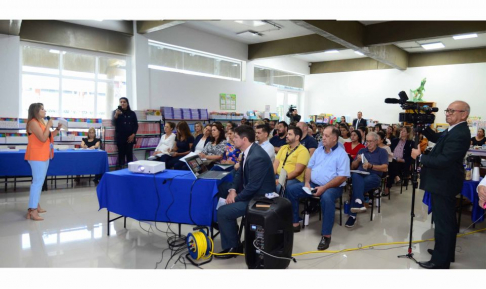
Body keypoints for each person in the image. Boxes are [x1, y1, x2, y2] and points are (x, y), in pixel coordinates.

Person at [411, 101, 471, 269]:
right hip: (443, 181)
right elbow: (438, 138)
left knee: (444, 223)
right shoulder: (454, 129)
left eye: (452, 111)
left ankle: (440, 261)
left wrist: (420, 157)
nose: (448, 113)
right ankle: (445, 253)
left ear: (464, 114)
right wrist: (423, 128)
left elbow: (444, 160)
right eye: (447, 110)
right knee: (444, 221)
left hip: (445, 182)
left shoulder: (460, 133)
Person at [215, 125, 275, 259]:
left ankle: (232, 247)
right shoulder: (248, 151)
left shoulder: (256, 156)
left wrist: (235, 199)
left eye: (235, 137)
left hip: (259, 198)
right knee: (221, 188)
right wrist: (232, 190)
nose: (232, 139)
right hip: (252, 191)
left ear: (244, 139)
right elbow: (240, 174)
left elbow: (253, 186)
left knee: (224, 212)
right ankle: (226, 227)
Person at [286, 126, 350, 250]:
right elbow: (309, 168)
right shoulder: (319, 151)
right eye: (323, 135)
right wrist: (307, 183)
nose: (323, 138)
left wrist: (324, 188)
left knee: (326, 197)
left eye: (326, 136)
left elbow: (342, 177)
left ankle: (326, 235)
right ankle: (295, 223)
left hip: (333, 187)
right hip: (313, 184)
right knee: (291, 189)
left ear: (335, 138)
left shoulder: (341, 154)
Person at [25, 103, 63, 221]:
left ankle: (36, 205)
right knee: (37, 183)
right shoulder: (32, 122)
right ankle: (32, 210)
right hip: (37, 156)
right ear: (36, 111)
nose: (45, 111)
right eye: (42, 109)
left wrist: (56, 129)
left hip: (43, 155)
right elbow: (42, 138)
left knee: (39, 182)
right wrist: (48, 126)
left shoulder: (41, 123)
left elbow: (48, 137)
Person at [346, 132, 388, 228]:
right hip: (360, 174)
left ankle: (353, 215)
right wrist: (357, 160)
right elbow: (353, 166)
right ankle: (359, 202)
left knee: (357, 186)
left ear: (376, 142)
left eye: (370, 141)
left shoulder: (382, 152)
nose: (368, 144)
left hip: (374, 175)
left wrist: (371, 166)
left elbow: (385, 168)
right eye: (367, 141)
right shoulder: (362, 150)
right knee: (356, 175)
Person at [273, 127, 310, 194]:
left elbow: (297, 171)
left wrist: (281, 180)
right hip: (278, 176)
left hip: (293, 179)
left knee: (279, 187)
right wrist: (271, 176)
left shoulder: (303, 151)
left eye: (290, 134)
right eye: (287, 134)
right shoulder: (284, 147)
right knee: (264, 182)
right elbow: (275, 163)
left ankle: (280, 204)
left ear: (297, 137)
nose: (287, 136)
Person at [384, 126, 414, 195]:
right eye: (401, 131)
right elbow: (390, 150)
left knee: (392, 166)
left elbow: (412, 157)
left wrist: (403, 160)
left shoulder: (410, 143)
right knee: (391, 164)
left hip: (402, 163)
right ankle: (396, 176)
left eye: (404, 131)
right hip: (392, 160)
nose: (401, 132)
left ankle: (388, 187)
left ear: (408, 134)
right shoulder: (395, 140)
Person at [112, 97, 138, 168]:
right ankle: (120, 172)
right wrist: (116, 115)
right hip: (120, 138)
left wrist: (133, 135)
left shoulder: (132, 113)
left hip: (130, 138)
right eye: (121, 102)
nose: (122, 103)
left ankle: (131, 172)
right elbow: (113, 123)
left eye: (124, 102)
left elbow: (136, 125)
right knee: (121, 156)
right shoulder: (115, 112)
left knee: (129, 155)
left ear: (127, 103)